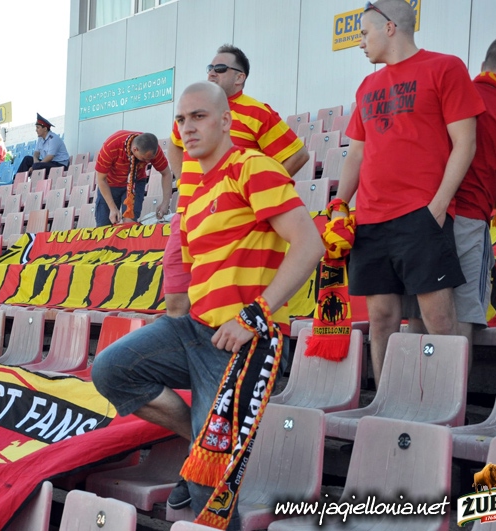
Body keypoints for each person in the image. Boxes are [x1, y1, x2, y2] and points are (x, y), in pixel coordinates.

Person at [92, 82, 323, 531]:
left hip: (244, 341)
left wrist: (254, 315)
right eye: (181, 120)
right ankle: (201, 441)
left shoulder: (253, 166)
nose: (187, 127)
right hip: (196, 330)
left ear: (226, 121)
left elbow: (309, 244)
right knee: (111, 369)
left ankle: (209, 449)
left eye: (198, 116)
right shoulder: (196, 194)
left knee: (206, 486)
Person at [330, 0, 485, 386]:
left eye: (364, 33)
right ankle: (386, 398)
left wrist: (437, 207)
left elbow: (465, 143)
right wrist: (339, 203)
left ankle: (446, 402)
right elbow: (356, 154)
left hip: (421, 214)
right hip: (370, 218)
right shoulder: (367, 85)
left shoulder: (445, 67)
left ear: (389, 28)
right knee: (381, 318)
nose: (360, 42)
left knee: (439, 318)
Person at [404, 35, 496, 370]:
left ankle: (412, 392)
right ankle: (452, 396)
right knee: (463, 315)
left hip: (423, 215)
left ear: (484, 65)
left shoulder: (448, 98)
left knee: (420, 314)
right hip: (469, 218)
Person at [164, 44, 309, 319]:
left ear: (240, 77)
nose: (211, 73)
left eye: (220, 69)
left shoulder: (258, 112)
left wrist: (262, 190)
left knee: (222, 302)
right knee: (176, 299)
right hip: (187, 215)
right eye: (209, 68)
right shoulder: (192, 110)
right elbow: (173, 144)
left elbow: (297, 154)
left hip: (227, 219)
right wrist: (182, 180)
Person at [94, 131, 173, 226]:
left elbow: (166, 174)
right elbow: (101, 179)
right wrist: (112, 207)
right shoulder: (110, 146)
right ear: (135, 149)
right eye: (144, 159)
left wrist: (165, 203)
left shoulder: (152, 150)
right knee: (103, 224)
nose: (148, 161)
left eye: (150, 159)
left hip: (136, 182)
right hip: (110, 184)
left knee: (129, 223)